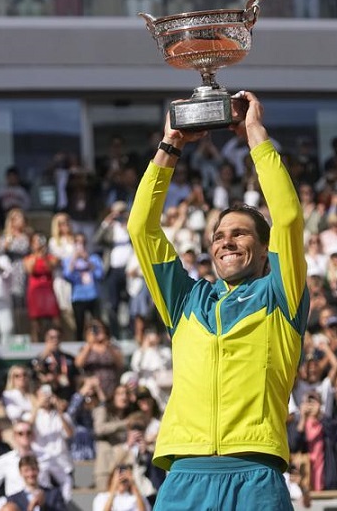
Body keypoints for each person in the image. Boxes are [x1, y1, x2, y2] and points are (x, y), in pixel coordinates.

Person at [126, 91, 306, 510]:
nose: (226, 241)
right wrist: (170, 146)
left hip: (256, 474)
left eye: (240, 233)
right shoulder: (185, 299)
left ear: (264, 250)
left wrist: (255, 136)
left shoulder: (282, 294)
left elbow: (289, 218)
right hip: (184, 475)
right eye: (219, 236)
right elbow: (141, 228)